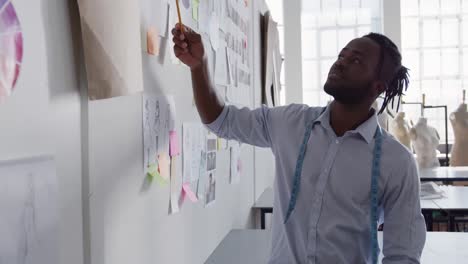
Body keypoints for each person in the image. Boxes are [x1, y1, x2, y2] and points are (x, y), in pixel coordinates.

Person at [171, 23, 426, 263]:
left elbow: (402, 255)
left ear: (377, 86)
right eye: (342, 55)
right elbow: (221, 120)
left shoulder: (397, 162)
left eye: (356, 60)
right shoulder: (291, 123)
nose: (341, 63)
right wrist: (199, 66)